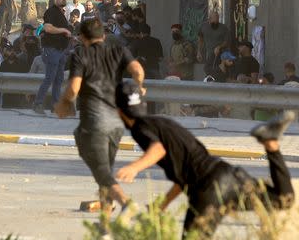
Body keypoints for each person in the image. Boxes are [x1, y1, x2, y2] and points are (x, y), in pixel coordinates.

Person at [114, 80, 295, 239]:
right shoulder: (162, 123)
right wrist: (163, 204)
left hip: (208, 188)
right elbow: (183, 176)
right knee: (283, 199)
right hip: (227, 174)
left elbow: (158, 149)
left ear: (118, 110)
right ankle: (271, 144)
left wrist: (134, 167)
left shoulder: (140, 128)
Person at [53, 18, 145, 225]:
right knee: (106, 171)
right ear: (103, 35)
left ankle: (126, 203)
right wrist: (139, 88)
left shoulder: (81, 54)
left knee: (101, 172)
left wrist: (64, 104)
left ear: (82, 38)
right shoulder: (119, 51)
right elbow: (138, 71)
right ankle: (105, 222)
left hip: (93, 122)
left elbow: (74, 88)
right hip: (116, 122)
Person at [33, 0, 71, 114]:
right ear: (55, 0)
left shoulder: (61, 13)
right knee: (49, 78)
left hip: (61, 51)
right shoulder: (51, 12)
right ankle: (38, 104)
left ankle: (55, 105)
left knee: (59, 79)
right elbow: (48, 28)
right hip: (52, 50)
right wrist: (64, 31)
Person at [197, 11, 230, 76]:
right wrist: (199, 52)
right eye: (214, 21)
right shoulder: (203, 27)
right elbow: (200, 40)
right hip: (209, 55)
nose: (216, 22)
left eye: (217, 20)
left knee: (220, 73)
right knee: (208, 71)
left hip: (220, 55)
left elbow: (227, 42)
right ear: (209, 19)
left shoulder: (223, 28)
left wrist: (219, 47)